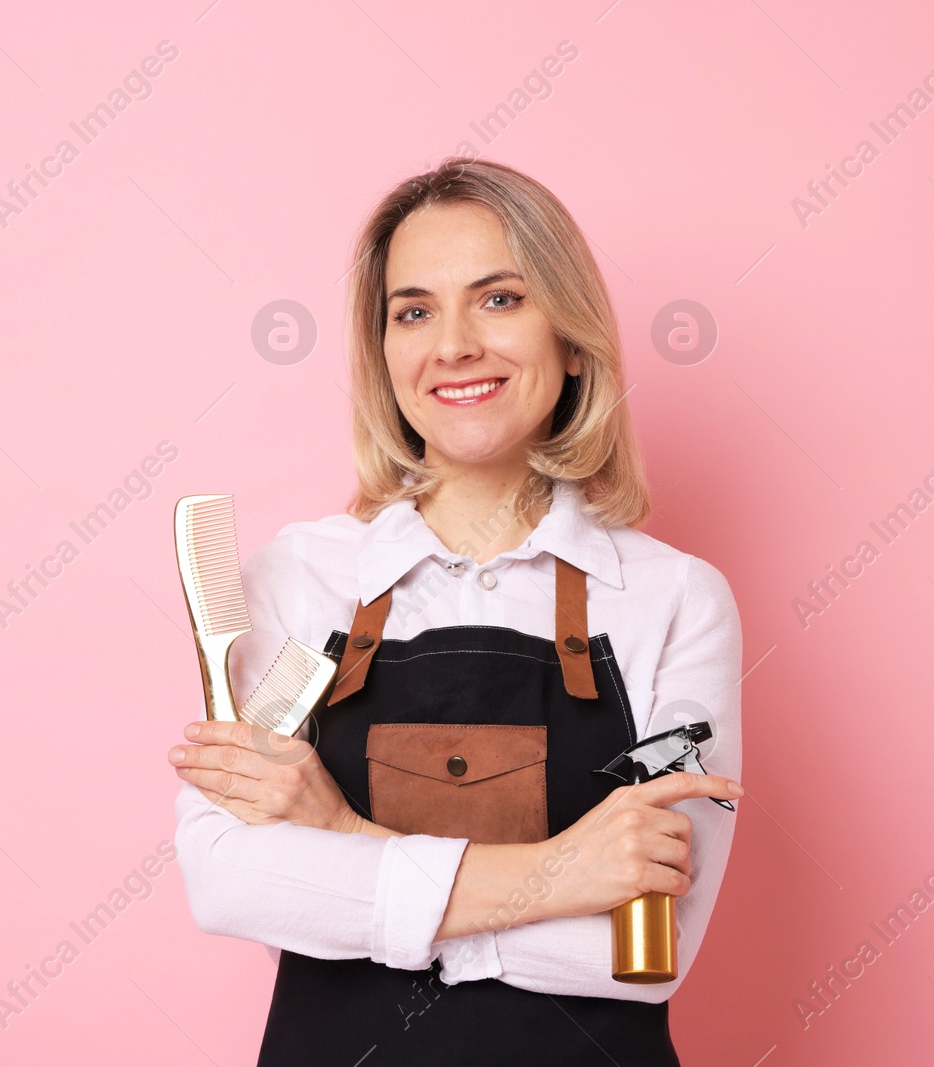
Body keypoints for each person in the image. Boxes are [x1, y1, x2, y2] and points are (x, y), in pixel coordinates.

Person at [167, 157, 743, 1066]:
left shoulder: (674, 601)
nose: (454, 344)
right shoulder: (299, 582)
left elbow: (643, 954)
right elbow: (230, 878)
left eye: (501, 298)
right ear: (384, 349)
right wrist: (557, 880)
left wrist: (349, 845)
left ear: (572, 334)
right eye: (414, 310)